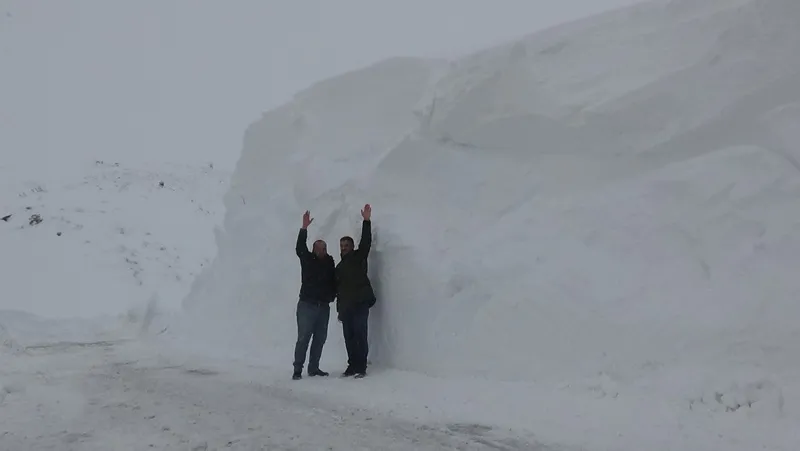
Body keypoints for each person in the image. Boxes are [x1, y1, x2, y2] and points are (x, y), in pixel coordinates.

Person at [293, 210, 337, 380]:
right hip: (307, 305)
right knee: (303, 337)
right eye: (319, 248)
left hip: (323, 306)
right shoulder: (307, 259)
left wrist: (332, 295)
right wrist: (304, 228)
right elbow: (299, 248)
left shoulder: (330, 262)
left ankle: (314, 367)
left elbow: (334, 281)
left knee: (320, 338)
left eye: (324, 248)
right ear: (313, 249)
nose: (322, 251)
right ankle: (298, 369)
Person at [335, 204, 376, 378]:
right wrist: (339, 309)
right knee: (349, 337)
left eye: (346, 245)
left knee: (360, 334)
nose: (343, 247)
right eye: (341, 245)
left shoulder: (358, 257)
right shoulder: (338, 267)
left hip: (359, 303)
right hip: (346, 307)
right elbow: (337, 289)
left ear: (352, 247)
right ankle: (352, 365)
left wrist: (366, 221)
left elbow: (366, 243)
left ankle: (361, 367)